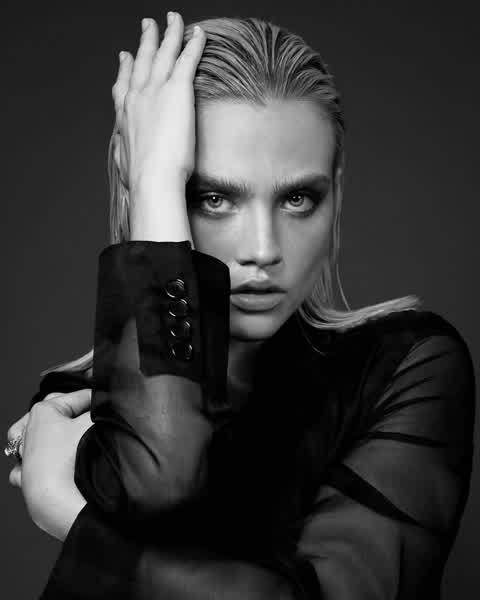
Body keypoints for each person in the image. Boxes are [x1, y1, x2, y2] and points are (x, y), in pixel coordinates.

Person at [5, 12, 476, 599]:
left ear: (336, 190)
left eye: (298, 198)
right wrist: (152, 182)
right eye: (212, 197)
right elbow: (158, 481)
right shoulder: (87, 400)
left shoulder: (404, 367)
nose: (263, 248)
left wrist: (70, 517)